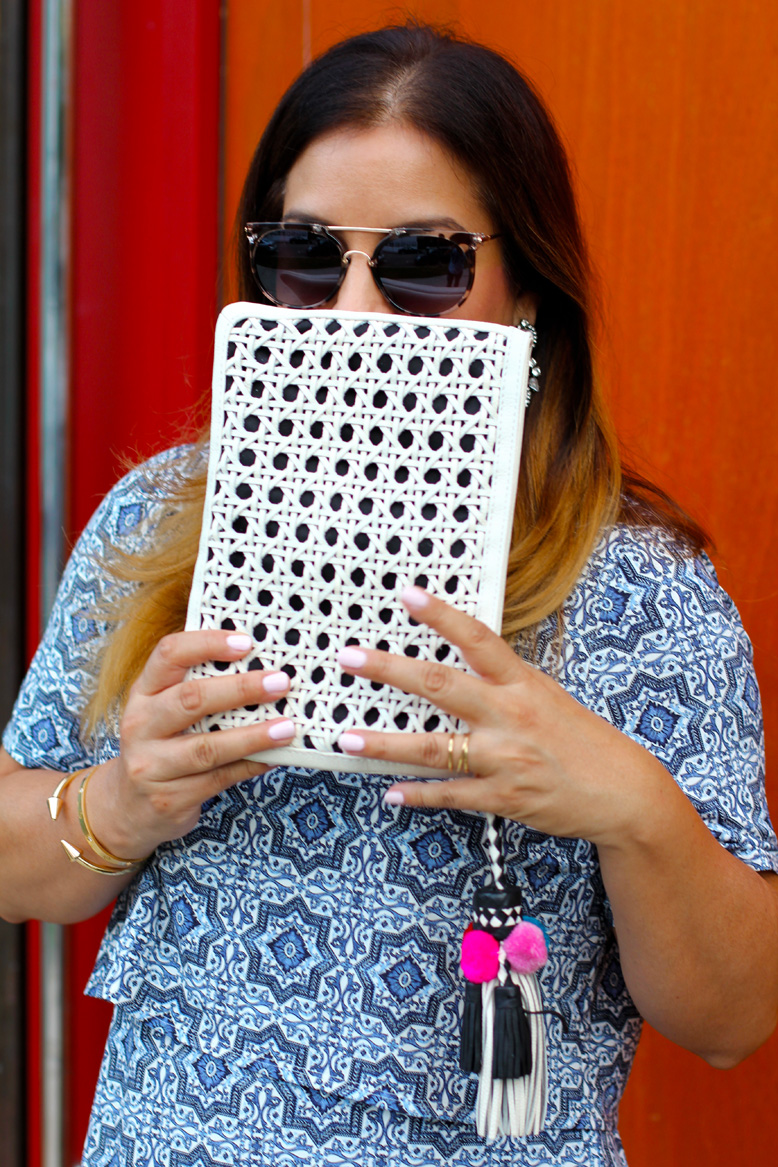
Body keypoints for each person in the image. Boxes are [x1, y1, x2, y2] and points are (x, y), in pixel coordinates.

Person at [2, 22, 777, 1167]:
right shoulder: (162, 520)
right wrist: (119, 804)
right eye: (304, 258)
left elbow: (730, 1020)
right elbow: (19, 868)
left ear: (526, 293)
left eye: (423, 263)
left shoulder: (641, 593)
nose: (353, 313)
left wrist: (627, 802)